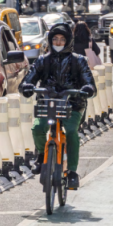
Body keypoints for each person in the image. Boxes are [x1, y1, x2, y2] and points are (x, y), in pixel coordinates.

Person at [20, 24, 96, 190]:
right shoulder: (42, 60)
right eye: (55, 39)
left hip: (73, 105)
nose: (58, 42)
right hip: (48, 104)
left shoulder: (79, 61)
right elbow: (28, 79)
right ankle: (41, 155)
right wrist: (26, 86)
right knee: (38, 128)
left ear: (68, 41)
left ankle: (72, 172)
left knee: (70, 132)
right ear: (50, 40)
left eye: (62, 39)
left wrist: (87, 88)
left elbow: (90, 83)